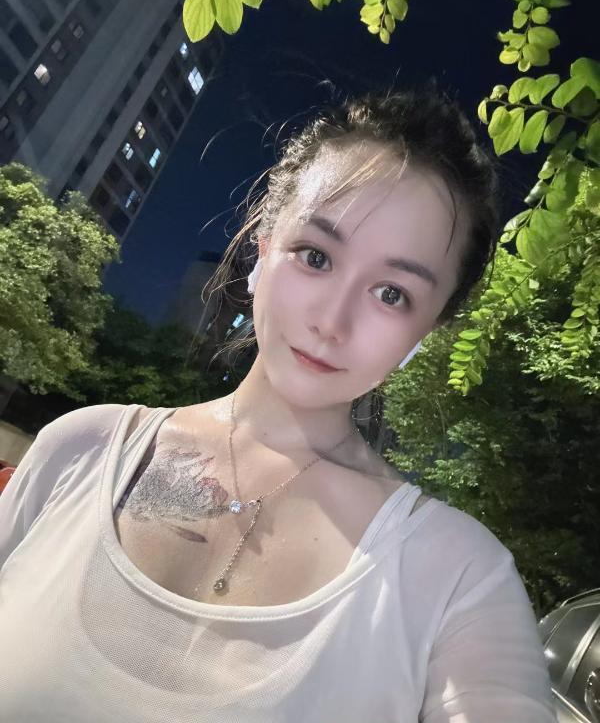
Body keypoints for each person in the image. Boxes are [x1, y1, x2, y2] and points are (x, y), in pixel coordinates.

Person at [0, 84, 557, 722]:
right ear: (263, 245)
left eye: (392, 294)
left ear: (426, 333)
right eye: (315, 256)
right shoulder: (82, 450)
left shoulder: (457, 578)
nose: (331, 321)